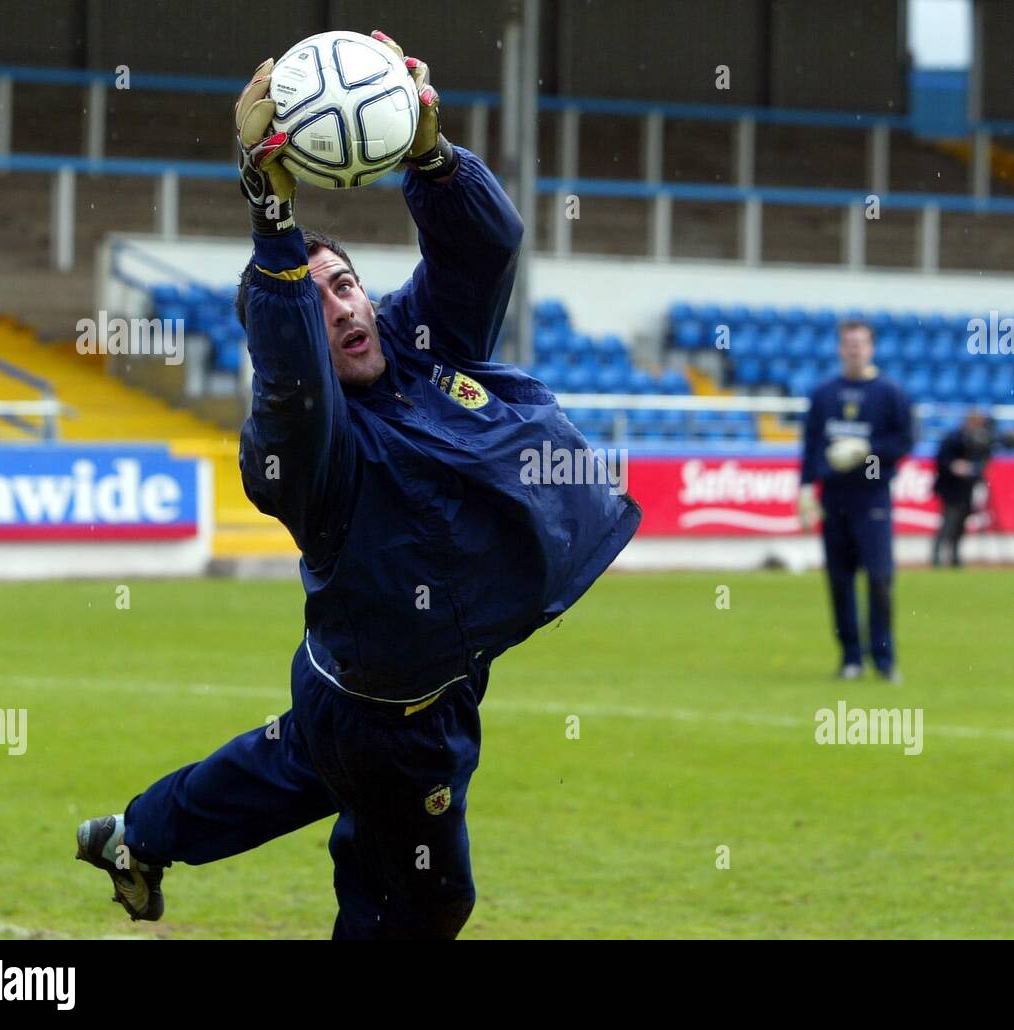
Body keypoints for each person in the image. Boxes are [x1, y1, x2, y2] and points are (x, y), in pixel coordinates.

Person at [74, 32, 641, 939]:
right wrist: (273, 217)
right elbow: (294, 377)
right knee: (419, 899)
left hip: (376, 678)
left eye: (350, 286)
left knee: (288, 764)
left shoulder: (425, 346)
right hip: (393, 718)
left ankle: (136, 834)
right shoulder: (307, 452)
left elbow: (482, 253)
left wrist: (430, 153)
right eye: (321, 295)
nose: (344, 306)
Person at [798, 320, 913, 683]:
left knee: (879, 579)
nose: (853, 349)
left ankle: (884, 659)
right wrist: (805, 489)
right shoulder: (824, 393)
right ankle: (850, 658)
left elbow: (905, 442)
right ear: (839, 348)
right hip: (834, 498)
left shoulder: (890, 392)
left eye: (860, 344)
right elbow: (812, 444)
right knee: (839, 580)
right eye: (848, 343)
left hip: (873, 498)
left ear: (871, 348)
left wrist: (867, 450)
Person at [932, 411, 1014, 568]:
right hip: (951, 487)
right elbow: (941, 460)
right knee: (948, 523)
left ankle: (955, 557)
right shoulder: (954, 438)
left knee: (961, 524)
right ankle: (936, 558)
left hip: (967, 488)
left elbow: (983, 460)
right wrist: (955, 466)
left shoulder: (979, 440)